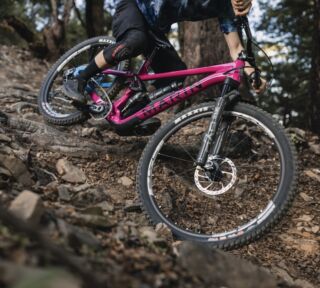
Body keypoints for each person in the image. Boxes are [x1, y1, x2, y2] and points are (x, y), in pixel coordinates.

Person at [63, 0, 266, 104]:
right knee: (135, 41)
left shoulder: (224, 9)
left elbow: (237, 49)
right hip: (133, 7)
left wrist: (253, 74)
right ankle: (79, 79)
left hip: (156, 30)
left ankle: (132, 112)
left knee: (175, 75)